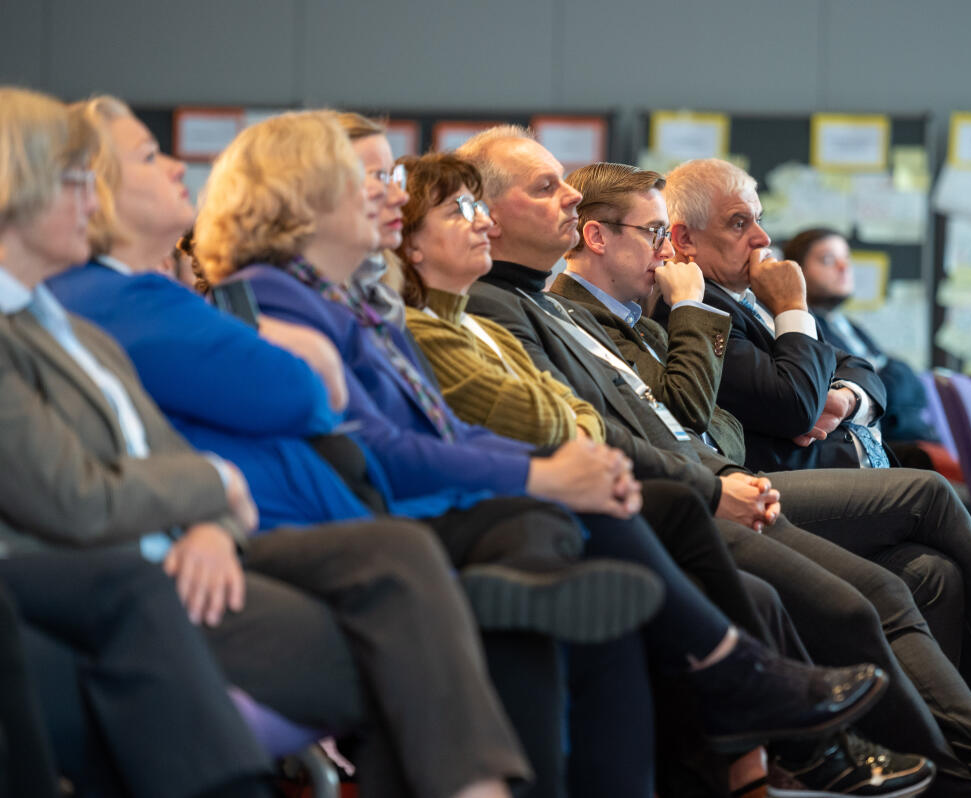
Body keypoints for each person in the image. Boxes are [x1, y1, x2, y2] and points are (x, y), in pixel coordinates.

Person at [455, 128, 971, 798]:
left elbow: (851, 370)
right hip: (707, 493)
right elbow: (707, 411)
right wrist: (717, 330)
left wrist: (837, 390)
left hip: (725, 481)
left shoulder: (592, 305)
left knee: (943, 566)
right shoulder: (637, 305)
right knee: (922, 517)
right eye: (738, 224)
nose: (764, 240)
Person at [192, 110, 895, 798]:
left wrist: (567, 466)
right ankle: (739, 678)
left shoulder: (365, 305)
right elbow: (388, 451)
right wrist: (546, 471)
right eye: (375, 177)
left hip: (447, 506)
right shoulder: (328, 310)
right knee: (583, 540)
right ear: (305, 195)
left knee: (598, 593)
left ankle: (732, 682)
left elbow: (591, 420)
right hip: (374, 527)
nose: (394, 195)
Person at [0, 87, 545, 798]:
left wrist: (212, 519)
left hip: (212, 539)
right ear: (28, 186)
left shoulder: (72, 326)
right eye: (142, 157)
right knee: (423, 639)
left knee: (414, 574)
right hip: (128, 571)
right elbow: (80, 492)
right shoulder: (103, 306)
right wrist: (215, 491)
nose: (173, 167)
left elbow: (165, 451)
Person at [783, 227, 955, 474]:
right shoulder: (803, 327)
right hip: (869, 444)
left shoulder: (848, 325)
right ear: (796, 271)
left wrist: (884, 378)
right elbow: (876, 387)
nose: (844, 268)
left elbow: (905, 381)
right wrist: (884, 378)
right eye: (828, 260)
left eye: (847, 259)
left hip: (901, 432)